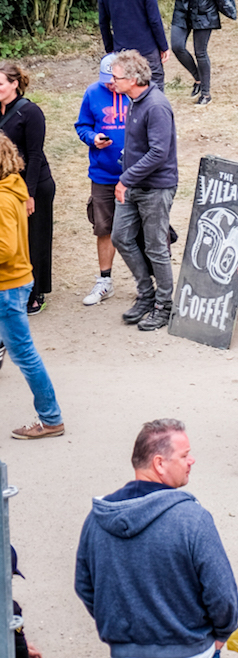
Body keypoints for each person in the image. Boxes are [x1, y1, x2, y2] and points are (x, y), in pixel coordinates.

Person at [74, 419, 238, 658]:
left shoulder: (97, 521)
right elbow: (222, 594)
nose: (192, 460)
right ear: (160, 463)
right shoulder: (191, 518)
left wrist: (120, 629)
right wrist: (220, 634)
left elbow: (85, 586)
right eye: (185, 454)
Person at [0, 133, 64, 438]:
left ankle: (51, 419)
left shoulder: (2, 199)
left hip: (7, 287)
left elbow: (5, 248)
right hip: (15, 283)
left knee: (24, 355)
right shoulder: (12, 188)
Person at [110, 51, 179, 332]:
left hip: (155, 188)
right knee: (120, 237)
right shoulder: (134, 101)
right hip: (135, 185)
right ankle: (146, 294)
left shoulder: (156, 106)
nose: (112, 81)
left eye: (116, 77)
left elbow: (159, 152)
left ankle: (164, 305)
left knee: (155, 247)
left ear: (133, 79)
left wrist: (125, 179)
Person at [0, 62, 56, 316]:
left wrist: (29, 194)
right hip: (6, 185)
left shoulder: (31, 112)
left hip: (34, 184)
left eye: (0, 84)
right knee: (10, 238)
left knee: (35, 237)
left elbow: (35, 155)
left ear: (14, 84)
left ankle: (36, 292)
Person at [75, 55, 129, 307]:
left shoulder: (136, 93)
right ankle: (105, 280)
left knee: (141, 229)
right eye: (106, 80)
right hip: (102, 174)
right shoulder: (92, 93)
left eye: (114, 79)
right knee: (104, 228)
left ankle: (149, 283)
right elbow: (82, 125)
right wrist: (92, 137)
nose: (110, 84)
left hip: (135, 175)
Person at [97, 0, 169, 90]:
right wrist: (163, 46)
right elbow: (154, 19)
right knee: (154, 88)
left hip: (122, 49)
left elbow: (103, 22)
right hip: (147, 48)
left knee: (126, 89)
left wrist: (110, 48)